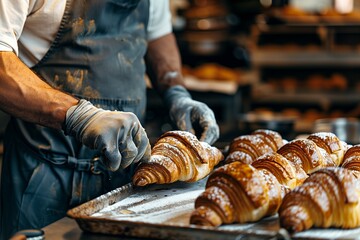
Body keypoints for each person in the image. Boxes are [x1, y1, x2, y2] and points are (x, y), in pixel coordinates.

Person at [0, 0, 220, 238]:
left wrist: (176, 92)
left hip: (126, 176)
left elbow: (158, 36)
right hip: (43, 173)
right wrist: (78, 115)